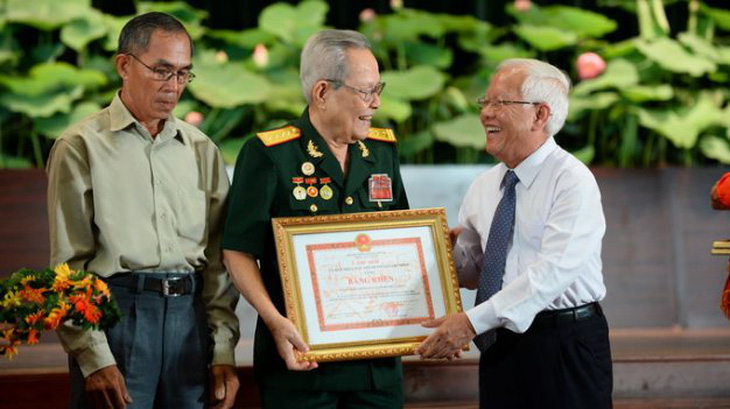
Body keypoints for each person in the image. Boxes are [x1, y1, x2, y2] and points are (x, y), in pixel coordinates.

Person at [46, 12, 240, 409]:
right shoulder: (80, 146)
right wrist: (93, 356)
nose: (174, 87)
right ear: (123, 65)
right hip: (118, 318)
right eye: (162, 71)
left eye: (184, 74)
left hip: (191, 322)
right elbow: (68, 266)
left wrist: (222, 350)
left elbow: (219, 264)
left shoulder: (201, 150)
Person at [222, 29, 408, 409]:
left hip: (377, 364)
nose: (375, 103)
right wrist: (273, 319)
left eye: (378, 89)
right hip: (302, 364)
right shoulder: (270, 154)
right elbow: (238, 251)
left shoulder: (382, 151)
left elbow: (402, 239)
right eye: (366, 91)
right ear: (322, 92)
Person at [416, 58, 613, 409]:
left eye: (500, 103)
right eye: (485, 102)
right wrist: (446, 254)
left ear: (540, 115)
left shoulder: (572, 181)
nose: (486, 114)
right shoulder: (485, 185)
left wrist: (470, 322)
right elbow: (477, 272)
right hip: (500, 342)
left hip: (564, 342)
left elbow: (552, 273)